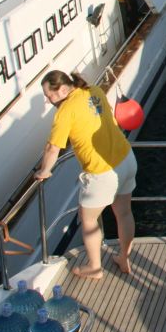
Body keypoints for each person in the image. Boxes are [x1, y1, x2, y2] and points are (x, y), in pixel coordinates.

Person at [35, 71, 137, 279]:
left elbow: (53, 148)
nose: (48, 100)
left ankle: (94, 267)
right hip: (126, 158)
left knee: (88, 219)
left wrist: (44, 171)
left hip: (102, 172)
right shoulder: (93, 90)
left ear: (63, 90)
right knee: (124, 212)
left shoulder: (65, 111)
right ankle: (124, 257)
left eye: (49, 95)